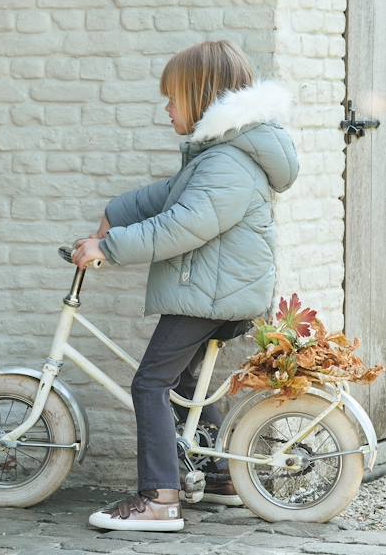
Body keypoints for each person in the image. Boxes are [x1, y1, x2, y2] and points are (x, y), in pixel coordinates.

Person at [72, 40, 300, 531]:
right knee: (190, 384)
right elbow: (171, 195)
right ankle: (220, 475)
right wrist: (117, 212)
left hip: (210, 296)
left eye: (172, 97)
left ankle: (159, 500)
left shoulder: (226, 163)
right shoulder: (225, 153)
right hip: (217, 291)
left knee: (151, 383)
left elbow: (182, 224)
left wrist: (107, 249)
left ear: (200, 96)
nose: (166, 107)